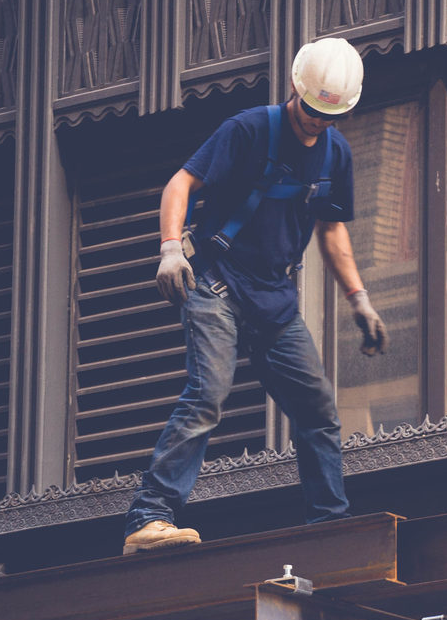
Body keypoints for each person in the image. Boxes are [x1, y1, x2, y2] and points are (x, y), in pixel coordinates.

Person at [121, 37, 388, 554]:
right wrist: (171, 248)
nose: (316, 120)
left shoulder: (336, 154)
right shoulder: (248, 129)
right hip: (217, 280)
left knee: (317, 410)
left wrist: (359, 299)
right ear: (297, 89)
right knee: (208, 396)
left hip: (275, 297)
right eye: (311, 109)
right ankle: (149, 517)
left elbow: (332, 230)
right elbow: (181, 183)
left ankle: (329, 525)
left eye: (328, 114)